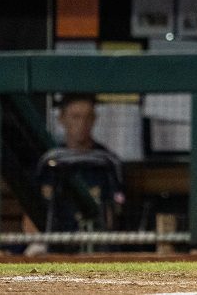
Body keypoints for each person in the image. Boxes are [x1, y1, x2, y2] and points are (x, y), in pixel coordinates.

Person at [24, 93, 125, 255]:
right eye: (75, 117)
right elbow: (30, 217)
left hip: (95, 243)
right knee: (35, 252)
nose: (82, 124)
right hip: (53, 244)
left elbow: (111, 217)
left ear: (94, 120)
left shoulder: (107, 162)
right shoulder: (48, 161)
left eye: (87, 117)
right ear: (62, 119)